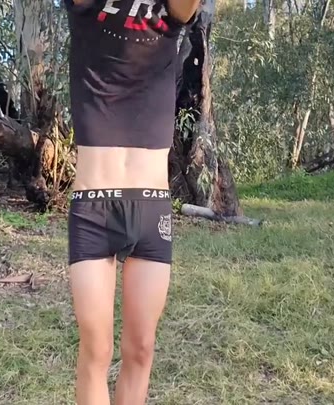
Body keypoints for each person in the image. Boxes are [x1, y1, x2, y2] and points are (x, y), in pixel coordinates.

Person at [62, 0, 199, 403]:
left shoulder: (173, 13)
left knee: (141, 349)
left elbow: (185, 10)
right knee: (96, 349)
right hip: (93, 208)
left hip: (151, 208)